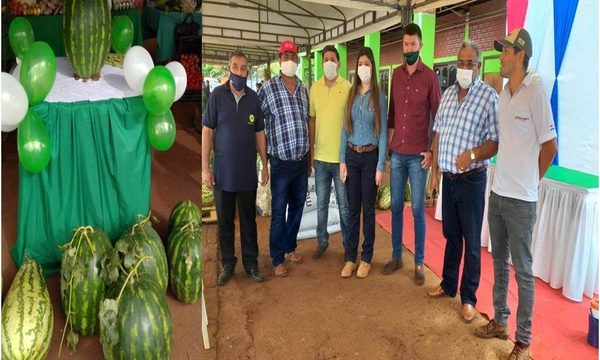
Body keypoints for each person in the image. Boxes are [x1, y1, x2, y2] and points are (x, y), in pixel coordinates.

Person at [475, 28, 557, 360]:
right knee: (499, 263)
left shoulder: (535, 90)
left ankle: (523, 340)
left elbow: (550, 146)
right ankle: (499, 321)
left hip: (522, 199)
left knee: (522, 269)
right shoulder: (506, 92)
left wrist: (530, 181)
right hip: (498, 193)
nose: (500, 56)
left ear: (520, 54)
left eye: (505, 51)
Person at [426, 41, 499, 323]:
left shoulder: (488, 97)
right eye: (461, 62)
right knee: (451, 236)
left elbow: (495, 143)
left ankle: (468, 297)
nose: (465, 68)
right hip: (449, 180)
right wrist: (434, 173)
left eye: (470, 63)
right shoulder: (447, 95)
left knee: (470, 240)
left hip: (472, 181)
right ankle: (447, 284)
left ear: (478, 66)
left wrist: (472, 155)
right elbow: (437, 135)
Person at [202, 50, 269, 286]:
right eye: (235, 66)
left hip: (247, 173)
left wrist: (265, 165)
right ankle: (228, 263)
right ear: (228, 68)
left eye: (243, 68)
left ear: (247, 71)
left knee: (249, 221)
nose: (239, 71)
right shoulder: (217, 96)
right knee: (224, 222)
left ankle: (251, 264)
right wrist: (205, 169)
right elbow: (207, 131)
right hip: (223, 174)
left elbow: (260, 133)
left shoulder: (254, 99)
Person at [385, 23, 441, 285]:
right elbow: (391, 115)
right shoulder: (395, 75)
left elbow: (437, 119)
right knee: (396, 207)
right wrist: (388, 147)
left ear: (420, 45)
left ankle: (419, 262)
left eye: (412, 44)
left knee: (418, 210)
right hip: (397, 154)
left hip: (420, 156)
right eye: (405, 44)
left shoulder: (430, 77)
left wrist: (432, 151)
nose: (408, 48)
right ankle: (396, 256)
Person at [258, 39, 310, 277]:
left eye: (293, 56)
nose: (289, 60)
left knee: (297, 207)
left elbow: (307, 123)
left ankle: (290, 248)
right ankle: (277, 257)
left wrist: (308, 162)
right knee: (279, 211)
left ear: (297, 61)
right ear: (279, 60)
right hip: (280, 161)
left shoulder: (303, 88)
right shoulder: (268, 89)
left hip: (301, 160)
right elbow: (259, 126)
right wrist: (264, 161)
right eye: (285, 56)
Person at [339, 47, 387, 278]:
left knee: (368, 210)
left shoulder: (379, 97)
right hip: (351, 156)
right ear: (356, 68)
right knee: (351, 211)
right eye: (360, 64)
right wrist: (342, 161)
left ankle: (366, 257)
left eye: (367, 64)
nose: (363, 68)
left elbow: (384, 133)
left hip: (370, 158)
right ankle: (350, 257)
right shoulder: (351, 95)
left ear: (372, 68)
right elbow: (344, 129)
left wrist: (380, 166)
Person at [308, 45, 352, 260]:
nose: (328, 63)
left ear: (339, 63)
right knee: (321, 205)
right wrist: (311, 151)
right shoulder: (314, 88)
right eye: (325, 59)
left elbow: (351, 122)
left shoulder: (348, 87)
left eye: (332, 59)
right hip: (321, 159)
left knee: (344, 206)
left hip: (342, 159)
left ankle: (348, 247)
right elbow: (312, 120)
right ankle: (322, 241)